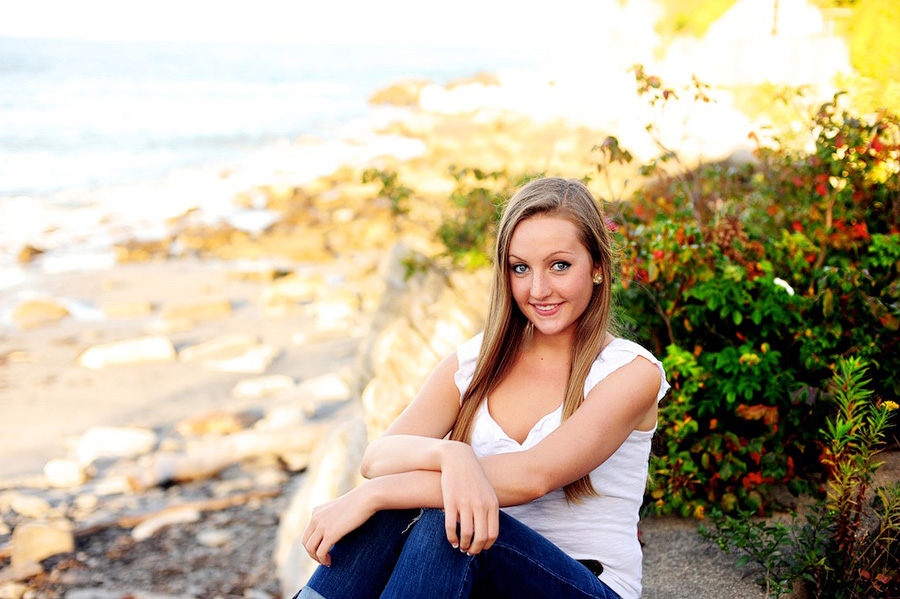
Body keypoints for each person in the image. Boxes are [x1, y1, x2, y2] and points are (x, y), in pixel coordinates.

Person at [296, 177, 669, 599]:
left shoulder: (630, 372)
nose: (539, 289)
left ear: (598, 267)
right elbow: (378, 456)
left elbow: (533, 475)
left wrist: (375, 495)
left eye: (560, 265)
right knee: (428, 511)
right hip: (479, 578)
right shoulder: (477, 362)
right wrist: (449, 454)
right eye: (520, 267)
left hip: (587, 586)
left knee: (446, 516)